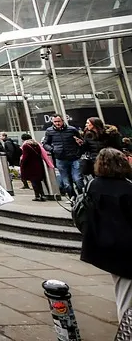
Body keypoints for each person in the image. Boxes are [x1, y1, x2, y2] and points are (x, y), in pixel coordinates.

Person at [79, 148, 132, 321]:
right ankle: (126, 331)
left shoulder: (93, 185)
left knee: (123, 290)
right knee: (126, 295)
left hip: (105, 244)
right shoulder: (127, 188)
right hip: (126, 248)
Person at [43, 114, 84, 198]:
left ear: (62, 121)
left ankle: (82, 196)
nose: (57, 123)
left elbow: (81, 141)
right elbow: (45, 144)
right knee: (67, 183)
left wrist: (79, 149)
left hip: (74, 157)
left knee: (78, 179)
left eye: (59, 121)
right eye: (55, 122)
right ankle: (73, 197)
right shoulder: (49, 131)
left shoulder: (72, 129)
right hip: (60, 158)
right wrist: (53, 150)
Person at [19, 134, 52, 201]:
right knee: (38, 181)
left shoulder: (26, 146)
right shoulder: (36, 144)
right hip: (39, 164)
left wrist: (22, 164)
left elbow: (25, 157)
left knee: (33, 181)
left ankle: (37, 195)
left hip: (30, 165)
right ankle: (42, 195)